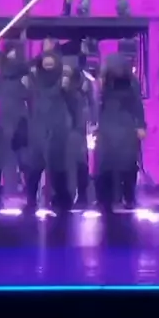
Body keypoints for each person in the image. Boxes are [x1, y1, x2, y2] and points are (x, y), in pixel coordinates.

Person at [94, 53, 146, 212]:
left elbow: (137, 104)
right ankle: (105, 199)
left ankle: (129, 197)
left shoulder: (132, 82)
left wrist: (141, 125)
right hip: (107, 124)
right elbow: (98, 104)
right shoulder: (104, 83)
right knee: (105, 164)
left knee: (128, 164)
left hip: (126, 124)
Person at [25, 50, 73, 213]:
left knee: (57, 165)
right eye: (45, 61)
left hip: (58, 124)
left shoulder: (64, 79)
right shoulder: (34, 78)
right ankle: (31, 199)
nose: (48, 64)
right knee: (35, 165)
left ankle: (62, 199)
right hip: (39, 124)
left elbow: (72, 97)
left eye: (51, 61)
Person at [0, 41, 28, 206]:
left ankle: (19, 191)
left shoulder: (22, 75)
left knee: (21, 158)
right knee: (7, 158)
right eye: (10, 53)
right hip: (6, 121)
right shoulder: (3, 78)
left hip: (19, 121)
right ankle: (9, 191)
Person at [62, 59, 97, 208]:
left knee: (80, 162)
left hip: (78, 128)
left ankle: (82, 195)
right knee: (66, 163)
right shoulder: (59, 79)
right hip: (64, 127)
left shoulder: (85, 81)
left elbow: (92, 102)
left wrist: (93, 122)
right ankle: (67, 196)